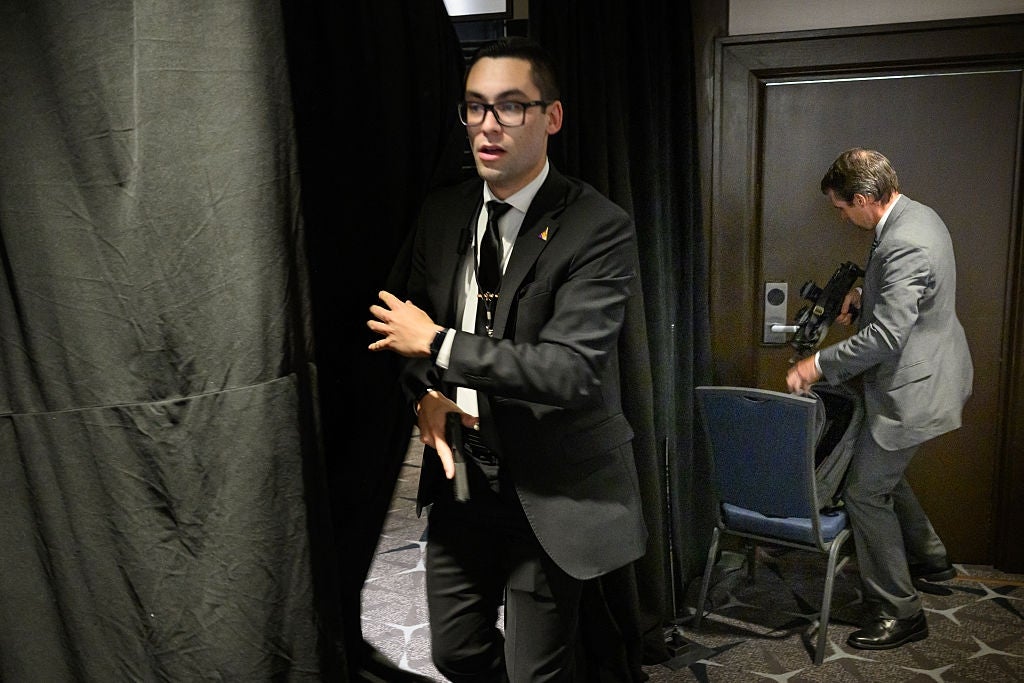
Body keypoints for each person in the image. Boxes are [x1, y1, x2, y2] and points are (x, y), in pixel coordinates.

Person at [366, 36, 648, 682]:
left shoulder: (597, 226)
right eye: (475, 106)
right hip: (465, 477)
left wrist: (438, 345)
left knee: (535, 671)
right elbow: (398, 327)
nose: (488, 124)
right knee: (455, 651)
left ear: (552, 117)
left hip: (553, 486)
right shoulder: (443, 213)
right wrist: (423, 392)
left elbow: (567, 371)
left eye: (511, 106)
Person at [786, 148, 973, 651]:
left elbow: (888, 336)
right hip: (919, 374)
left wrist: (816, 364)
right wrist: (863, 295)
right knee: (880, 469)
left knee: (866, 491)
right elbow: (907, 293)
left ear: (865, 198)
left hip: (914, 387)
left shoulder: (904, 241)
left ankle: (899, 611)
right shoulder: (916, 216)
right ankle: (931, 560)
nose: (840, 217)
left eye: (841, 208)